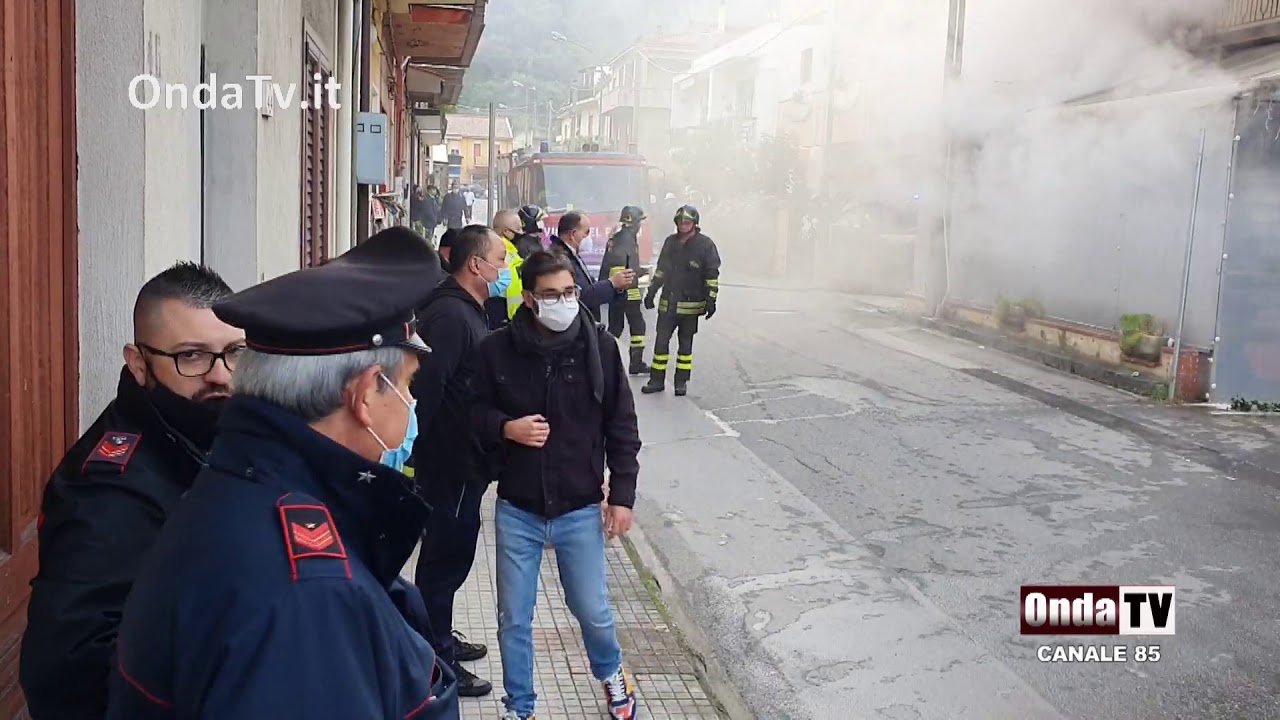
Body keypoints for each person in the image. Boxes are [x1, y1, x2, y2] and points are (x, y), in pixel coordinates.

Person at [105, 228, 459, 719]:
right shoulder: (307, 597)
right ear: (364, 395)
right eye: (406, 385)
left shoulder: (240, 485)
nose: (412, 402)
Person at [20, 263, 243, 720]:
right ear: (139, 364)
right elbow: (69, 673)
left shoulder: (204, 434)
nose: (220, 375)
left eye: (234, 352)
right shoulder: (111, 492)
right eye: (192, 356)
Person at [467, 251, 641, 720]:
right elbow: (470, 410)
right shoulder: (496, 350)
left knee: (593, 611)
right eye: (551, 295)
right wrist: (507, 427)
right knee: (513, 620)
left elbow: (622, 426)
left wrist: (621, 496)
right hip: (519, 508)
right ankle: (519, 706)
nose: (564, 302)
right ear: (528, 299)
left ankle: (612, 675)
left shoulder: (599, 349)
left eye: (570, 292)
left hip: (580, 507)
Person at [410, 225, 509, 698]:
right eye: (499, 259)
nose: (504, 269)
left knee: (449, 562)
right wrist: (419, 456)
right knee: (443, 565)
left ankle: (439, 638)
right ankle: (437, 663)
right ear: (475, 264)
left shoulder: (465, 309)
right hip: (450, 463)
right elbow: (427, 389)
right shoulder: (451, 316)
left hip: (464, 461)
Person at [642, 204, 721, 397]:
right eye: (680, 222)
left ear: (694, 223)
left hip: (691, 308)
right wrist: (652, 291)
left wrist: (711, 299)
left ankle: (681, 382)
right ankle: (656, 380)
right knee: (661, 344)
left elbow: (711, 273)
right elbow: (661, 269)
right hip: (668, 304)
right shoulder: (670, 242)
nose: (683, 225)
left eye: (687, 222)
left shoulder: (705, 245)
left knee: (685, 348)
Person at [550, 211, 632, 322]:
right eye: (586, 232)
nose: (589, 237)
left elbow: (591, 286)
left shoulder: (571, 256)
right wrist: (612, 283)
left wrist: (617, 286)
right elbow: (582, 296)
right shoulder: (560, 260)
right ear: (572, 235)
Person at [599, 205, 650, 375]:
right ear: (633, 222)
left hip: (617, 288)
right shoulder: (627, 238)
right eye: (639, 222)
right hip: (627, 288)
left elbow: (613, 263)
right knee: (637, 326)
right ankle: (633, 363)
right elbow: (624, 264)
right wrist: (640, 271)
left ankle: (604, 363)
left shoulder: (617, 236)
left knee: (616, 327)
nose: (640, 225)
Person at [485, 211, 526, 329]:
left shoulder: (512, 250)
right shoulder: (496, 250)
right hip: (499, 309)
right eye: (518, 228)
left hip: (511, 312)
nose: (521, 233)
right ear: (506, 231)